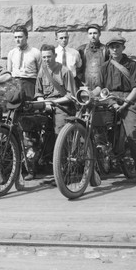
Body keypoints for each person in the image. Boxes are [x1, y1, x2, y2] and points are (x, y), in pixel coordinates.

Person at [92, 34, 136, 186]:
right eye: (112, 47)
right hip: (109, 100)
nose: (115, 49)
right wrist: (89, 95)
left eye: (117, 46)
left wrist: (125, 104)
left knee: (133, 132)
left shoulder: (131, 64)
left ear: (123, 47)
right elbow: (100, 87)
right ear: (108, 49)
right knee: (95, 128)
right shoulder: (104, 67)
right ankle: (96, 164)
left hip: (128, 100)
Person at [32, 44, 77, 181]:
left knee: (60, 134)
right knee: (31, 128)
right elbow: (38, 92)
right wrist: (43, 102)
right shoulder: (42, 70)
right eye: (44, 57)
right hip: (46, 106)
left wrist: (53, 103)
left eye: (49, 57)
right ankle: (34, 165)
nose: (46, 60)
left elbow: (71, 96)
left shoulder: (64, 71)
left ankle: (65, 171)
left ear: (55, 56)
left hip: (62, 106)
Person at [6, 27, 41, 101]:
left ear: (26, 37)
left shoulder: (35, 52)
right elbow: (8, 73)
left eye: (20, 37)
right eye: (15, 37)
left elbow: (40, 73)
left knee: (30, 108)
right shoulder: (11, 53)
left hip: (30, 83)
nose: (17, 40)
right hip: (15, 84)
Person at [77, 26, 109, 90]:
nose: (93, 36)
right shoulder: (82, 49)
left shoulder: (106, 49)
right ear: (87, 35)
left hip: (102, 86)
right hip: (85, 85)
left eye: (95, 33)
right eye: (90, 33)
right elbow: (77, 68)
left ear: (99, 34)